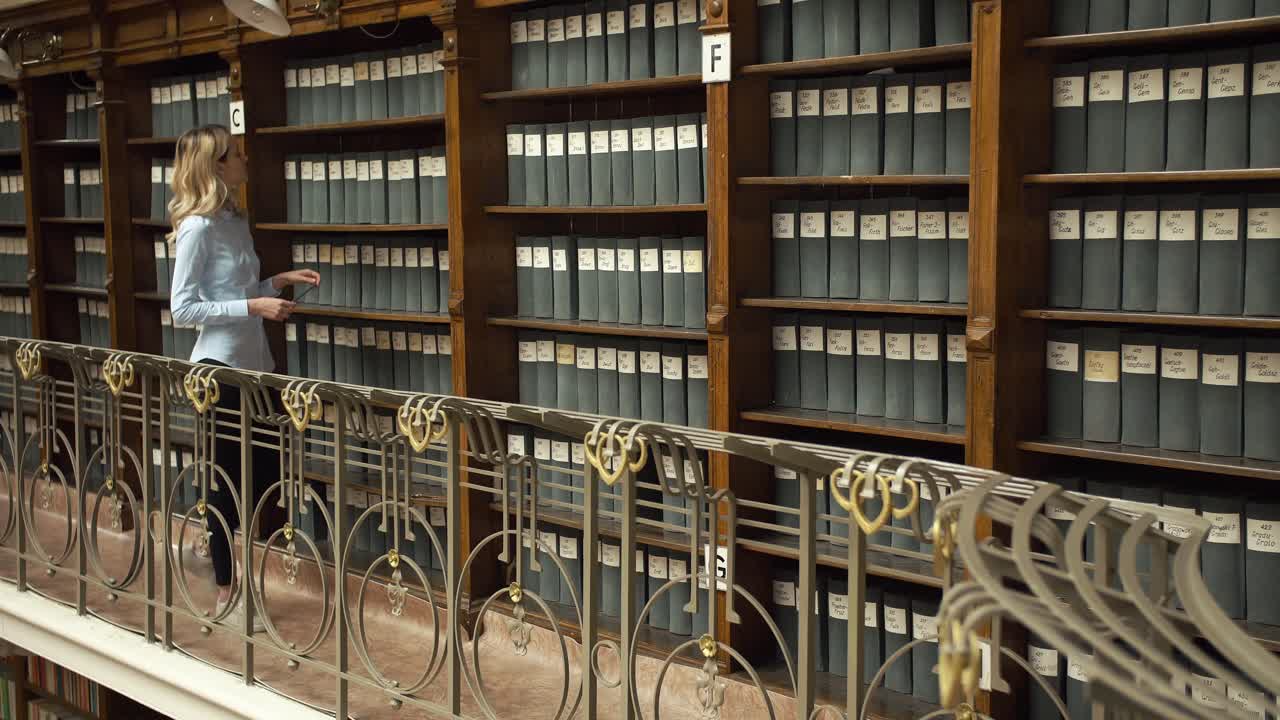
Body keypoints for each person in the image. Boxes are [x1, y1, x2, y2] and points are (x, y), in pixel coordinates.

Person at [167, 125, 319, 630]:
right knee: (227, 486)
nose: (245, 159)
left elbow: (232, 289)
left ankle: (217, 559)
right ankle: (227, 593)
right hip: (218, 371)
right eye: (236, 155)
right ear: (215, 166)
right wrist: (253, 303)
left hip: (256, 370)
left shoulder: (234, 219)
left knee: (266, 483)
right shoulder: (196, 229)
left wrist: (275, 282)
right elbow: (184, 308)